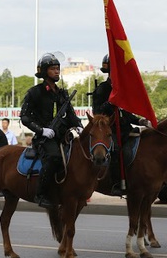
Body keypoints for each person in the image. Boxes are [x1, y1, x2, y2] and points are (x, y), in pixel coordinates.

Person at [20, 53, 83, 209]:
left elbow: (71, 115)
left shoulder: (62, 94)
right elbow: (25, 117)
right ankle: (41, 194)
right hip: (45, 139)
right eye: (53, 69)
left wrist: (80, 126)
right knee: (54, 157)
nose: (57, 71)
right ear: (44, 71)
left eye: (58, 68)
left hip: (63, 136)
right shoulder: (35, 92)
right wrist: (41, 130)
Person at [92, 54, 151, 196]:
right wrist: (111, 101)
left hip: (125, 129)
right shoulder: (102, 89)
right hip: (109, 130)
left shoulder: (122, 89)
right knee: (118, 151)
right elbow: (97, 112)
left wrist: (140, 121)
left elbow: (125, 113)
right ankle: (117, 183)